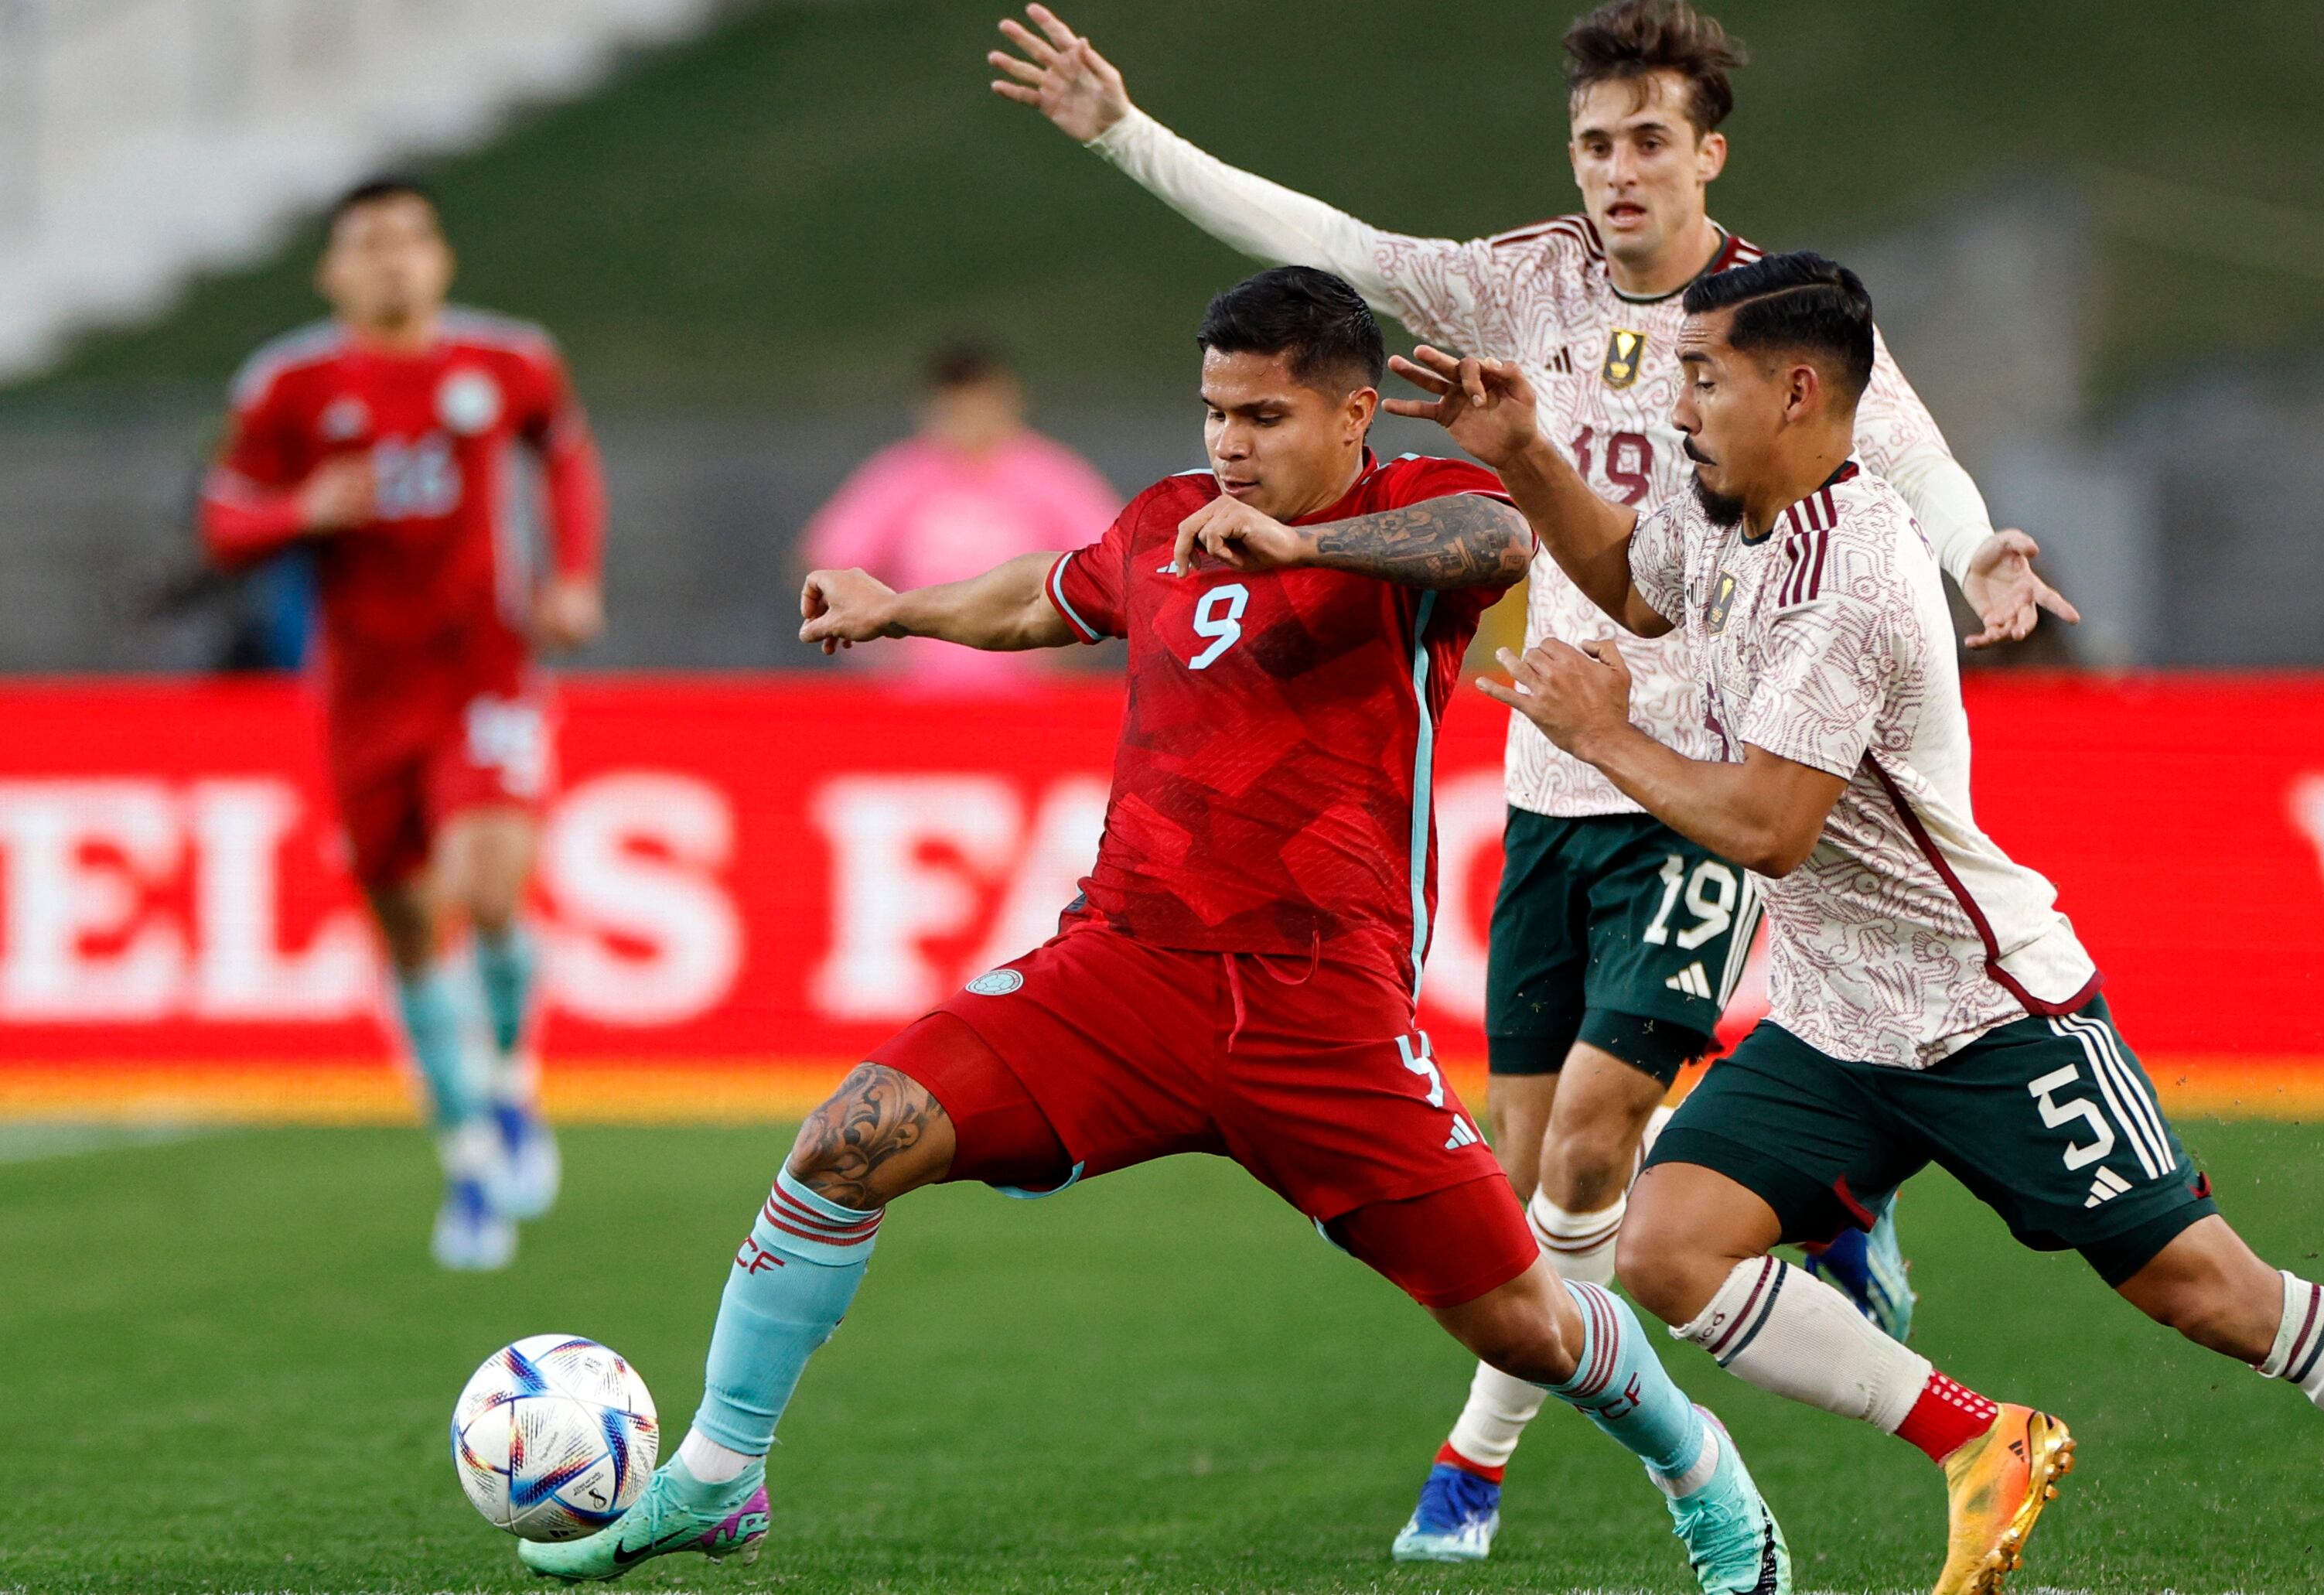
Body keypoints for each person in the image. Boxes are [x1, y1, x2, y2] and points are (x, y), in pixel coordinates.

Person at [519, 267, 1798, 1595]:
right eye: (1214, 412)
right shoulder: (1169, 521)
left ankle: (1704, 1476)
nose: (1229, 443)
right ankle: (721, 1478)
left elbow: (1499, 543)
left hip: (1319, 1010)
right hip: (1119, 971)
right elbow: (1048, 593)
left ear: (1356, 414)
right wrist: (901, 607)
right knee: (848, 1138)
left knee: (1525, 1320)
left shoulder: (1408, 514)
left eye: (1263, 415)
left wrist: (1309, 549)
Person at [991, 2, 2078, 1556]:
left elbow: (1903, 446)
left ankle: (1477, 1457)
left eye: (1648, 140)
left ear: (1710, 151)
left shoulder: (1775, 316)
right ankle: (1828, 1176)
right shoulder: (1522, 278)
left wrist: (1980, 548)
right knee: (1521, 1165)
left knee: (1586, 1144)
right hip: (1555, 766)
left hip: (1695, 766)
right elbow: (1330, 238)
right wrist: (1122, 131)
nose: (1617, 170)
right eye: (1593, 143)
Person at [1394, 251, 2324, 1595]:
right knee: (1666, 1245)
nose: (1674, 407)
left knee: (2207, 1291)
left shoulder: (1851, 579)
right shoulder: (1732, 507)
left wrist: (1605, 734)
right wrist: (1522, 452)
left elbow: (1766, 826)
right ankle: (1978, 1443)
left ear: (1796, 391)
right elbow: (1634, 584)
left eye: (1703, 377)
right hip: (1834, 1016)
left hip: (1983, 1011)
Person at [199, 176, 602, 1271]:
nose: (391, 260)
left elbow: (563, 455)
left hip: (486, 665)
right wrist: (300, 511)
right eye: (366, 244)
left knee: (485, 886)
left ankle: (513, 1082)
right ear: (333, 272)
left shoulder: (509, 361)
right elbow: (223, 516)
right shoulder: (288, 385)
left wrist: (571, 575)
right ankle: (468, 1153)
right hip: (365, 694)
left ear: (442, 260)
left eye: (409, 240)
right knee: (408, 922)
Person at [799, 340, 1123, 692]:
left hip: (1026, 696)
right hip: (921, 695)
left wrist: (1062, 656)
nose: (970, 418)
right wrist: (882, 653)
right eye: (956, 406)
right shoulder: (902, 476)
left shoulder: (1049, 475)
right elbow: (828, 563)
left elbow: (1114, 570)